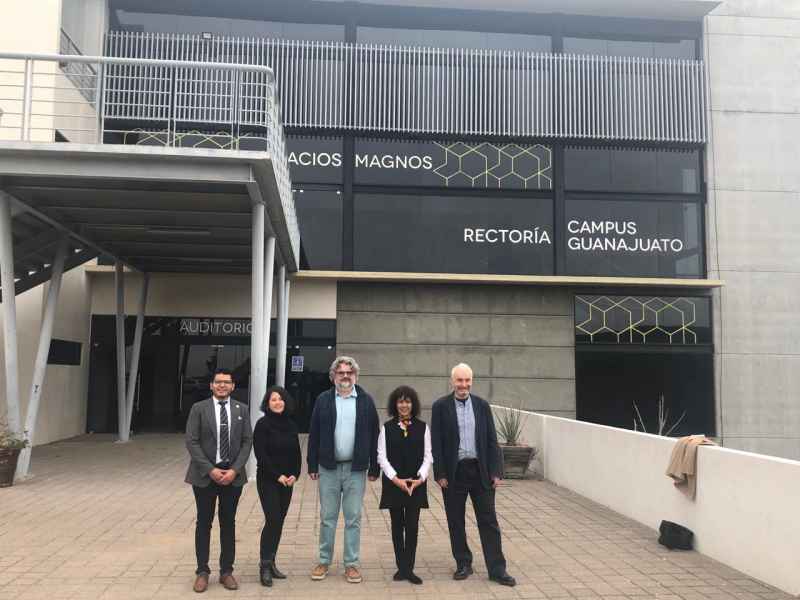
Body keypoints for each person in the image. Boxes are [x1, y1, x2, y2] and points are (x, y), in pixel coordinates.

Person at [430, 363, 516, 587]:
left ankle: (497, 569)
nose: (464, 385)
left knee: (489, 521)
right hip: (454, 473)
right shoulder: (440, 407)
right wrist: (440, 473)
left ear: (472, 381)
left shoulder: (482, 405)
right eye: (460, 380)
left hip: (480, 471)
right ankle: (463, 563)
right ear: (452, 381)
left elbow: (491, 440)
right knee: (455, 521)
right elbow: (436, 443)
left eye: (467, 380)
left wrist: (496, 472)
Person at [307, 356, 379, 584]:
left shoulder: (366, 401)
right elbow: (314, 433)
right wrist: (311, 464)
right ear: (333, 377)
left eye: (349, 372)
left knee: (353, 518)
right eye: (341, 373)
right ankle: (324, 560)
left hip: (355, 469)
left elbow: (375, 434)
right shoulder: (323, 400)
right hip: (328, 468)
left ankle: (351, 564)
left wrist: (375, 467)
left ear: (355, 376)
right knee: (327, 517)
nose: (345, 376)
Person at [184, 367, 253, 593]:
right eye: (218, 382)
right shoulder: (199, 408)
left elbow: (247, 441)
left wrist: (235, 469)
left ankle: (226, 571)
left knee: (228, 522)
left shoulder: (242, 409)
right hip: (205, 475)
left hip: (232, 476)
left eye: (226, 382)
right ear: (211, 385)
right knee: (204, 522)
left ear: (233, 386)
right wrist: (210, 469)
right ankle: (202, 572)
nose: (222, 385)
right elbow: (192, 441)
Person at [377, 385, 432, 585]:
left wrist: (421, 478)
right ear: (395, 404)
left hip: (415, 485)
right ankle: (401, 567)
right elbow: (381, 457)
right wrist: (395, 479)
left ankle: (409, 568)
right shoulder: (387, 428)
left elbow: (428, 456)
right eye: (400, 401)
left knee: (412, 526)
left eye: (407, 401)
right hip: (395, 484)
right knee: (397, 526)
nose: (404, 405)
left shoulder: (423, 427)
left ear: (413, 404)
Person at [253, 385, 301, 587]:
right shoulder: (262, 424)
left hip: (287, 482)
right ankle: (264, 565)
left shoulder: (291, 424)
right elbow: (261, 454)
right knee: (272, 520)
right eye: (273, 399)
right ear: (267, 403)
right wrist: (277, 475)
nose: (277, 402)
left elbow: (297, 452)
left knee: (279, 522)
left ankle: (272, 561)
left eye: (280, 399)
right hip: (268, 480)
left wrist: (295, 474)